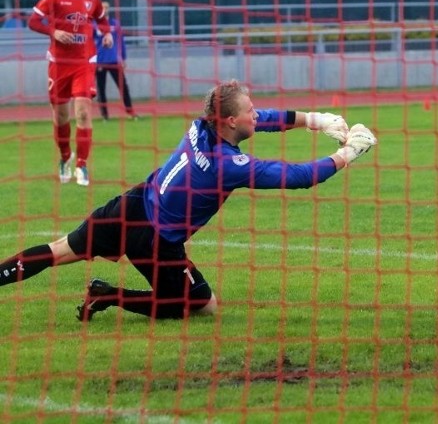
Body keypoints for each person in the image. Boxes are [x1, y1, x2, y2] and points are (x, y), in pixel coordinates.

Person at [0, 80, 377, 322]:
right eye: (249, 110)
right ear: (229, 120)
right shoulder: (228, 166)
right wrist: (349, 153)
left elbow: (266, 119)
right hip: (156, 241)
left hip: (131, 205)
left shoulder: (201, 125)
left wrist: (315, 120)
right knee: (202, 305)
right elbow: (298, 177)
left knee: (56, 251)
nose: (255, 114)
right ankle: (108, 295)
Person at [28, 0, 113, 187]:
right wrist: (53, 33)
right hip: (59, 64)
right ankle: (65, 157)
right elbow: (33, 21)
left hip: (84, 62)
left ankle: (82, 165)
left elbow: (102, 19)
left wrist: (107, 33)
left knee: (84, 112)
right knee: (61, 116)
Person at [94, 1, 138, 120]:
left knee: (123, 86)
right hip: (100, 61)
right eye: (102, 7)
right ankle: (105, 116)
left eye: (106, 7)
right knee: (101, 89)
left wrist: (123, 58)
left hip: (114, 60)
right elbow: (89, 43)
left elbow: (121, 42)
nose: (104, 9)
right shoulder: (94, 24)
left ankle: (131, 112)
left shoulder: (115, 24)